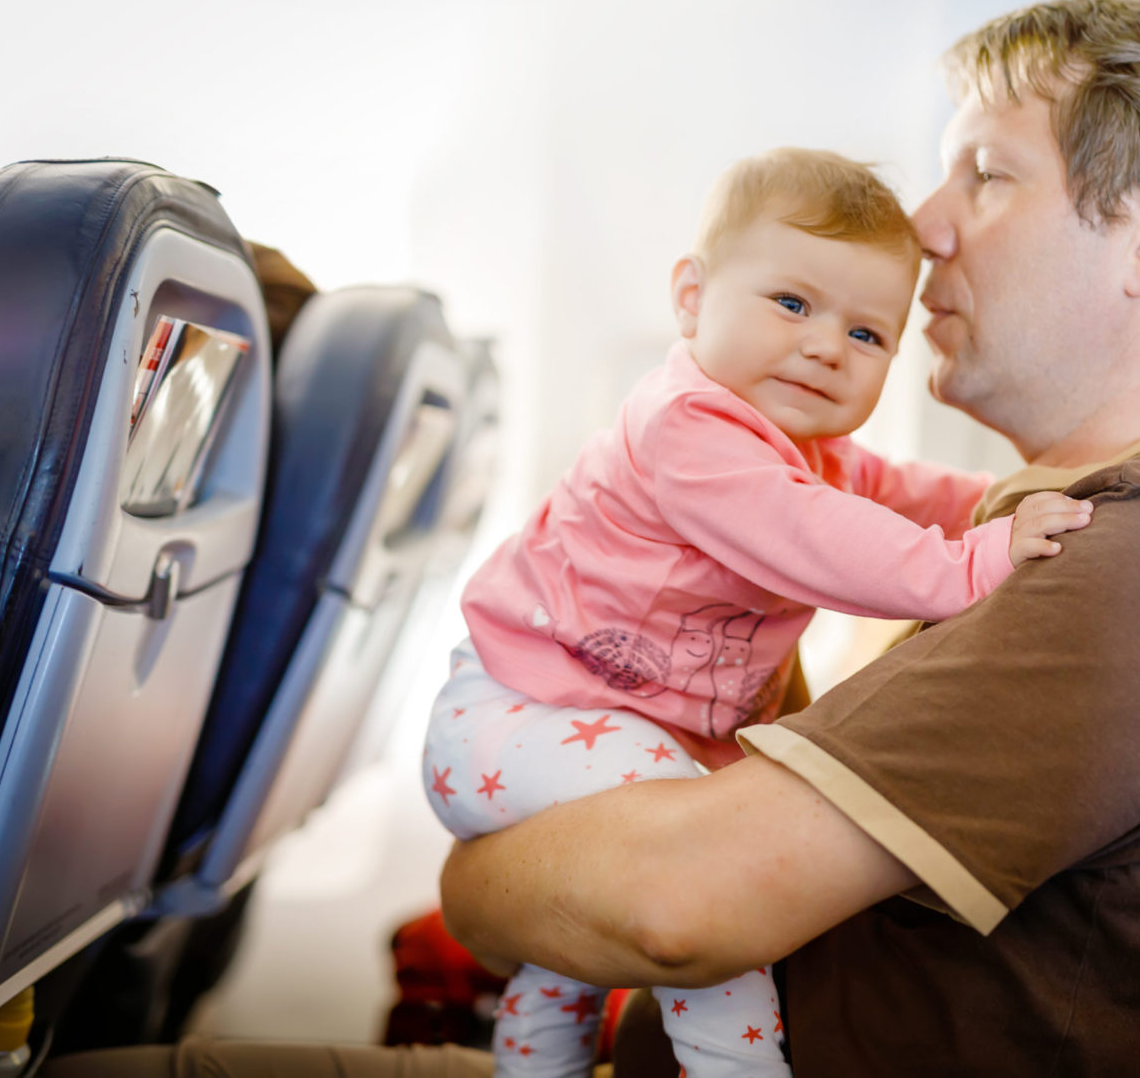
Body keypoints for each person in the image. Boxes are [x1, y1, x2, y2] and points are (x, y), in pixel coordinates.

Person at [44, 0, 1140, 1075]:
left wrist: (485, 870)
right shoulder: (1096, 520)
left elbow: (664, 910)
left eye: (984, 173)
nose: (922, 227)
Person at [423, 146, 1091, 1078]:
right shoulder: (688, 429)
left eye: (868, 336)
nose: (826, 344)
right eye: (791, 303)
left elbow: (901, 491)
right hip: (516, 719)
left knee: (567, 963)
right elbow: (821, 540)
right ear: (692, 297)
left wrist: (1004, 498)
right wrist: (977, 564)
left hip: (588, 730)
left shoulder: (808, 449)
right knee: (712, 872)